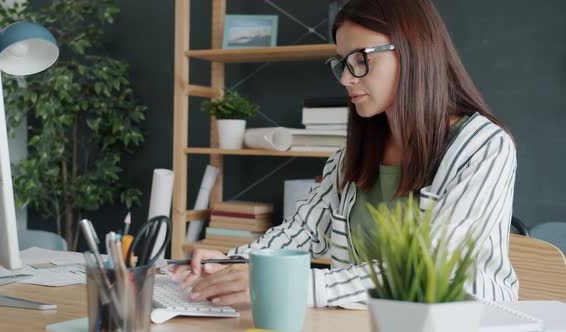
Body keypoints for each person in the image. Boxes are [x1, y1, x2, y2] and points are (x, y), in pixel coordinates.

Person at [171, 0, 518, 307]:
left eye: (360, 60)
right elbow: (302, 232)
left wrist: (290, 286)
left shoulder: (483, 147)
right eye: (341, 64)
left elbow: (429, 268)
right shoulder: (351, 156)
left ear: (414, 50)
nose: (346, 79)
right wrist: (234, 262)